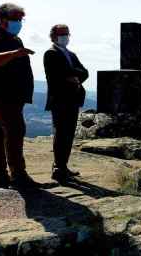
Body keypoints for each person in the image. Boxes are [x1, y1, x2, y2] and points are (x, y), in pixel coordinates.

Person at [0, 3, 39, 189]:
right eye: (15, 19)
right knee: (16, 130)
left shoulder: (15, 39)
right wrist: (13, 54)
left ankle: (0, 177)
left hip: (12, 97)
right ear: (3, 21)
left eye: (20, 19)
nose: (19, 23)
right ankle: (19, 176)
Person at [44, 24, 89, 184]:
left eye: (67, 34)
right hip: (60, 100)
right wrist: (72, 76)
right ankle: (58, 168)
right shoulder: (51, 53)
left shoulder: (71, 54)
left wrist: (74, 77)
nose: (65, 37)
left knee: (69, 134)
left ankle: (63, 166)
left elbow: (85, 72)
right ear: (53, 36)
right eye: (62, 34)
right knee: (61, 133)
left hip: (73, 99)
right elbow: (56, 76)